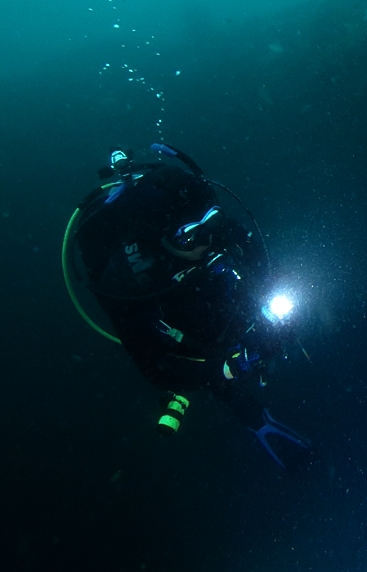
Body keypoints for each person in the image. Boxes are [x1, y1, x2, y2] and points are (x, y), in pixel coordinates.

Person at [63, 143, 309, 468]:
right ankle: (251, 417)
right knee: (207, 354)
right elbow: (155, 368)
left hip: (205, 298)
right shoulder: (128, 282)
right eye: (192, 238)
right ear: (159, 242)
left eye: (211, 224)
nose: (208, 242)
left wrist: (271, 301)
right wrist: (227, 368)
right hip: (174, 317)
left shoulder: (205, 221)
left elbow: (256, 257)